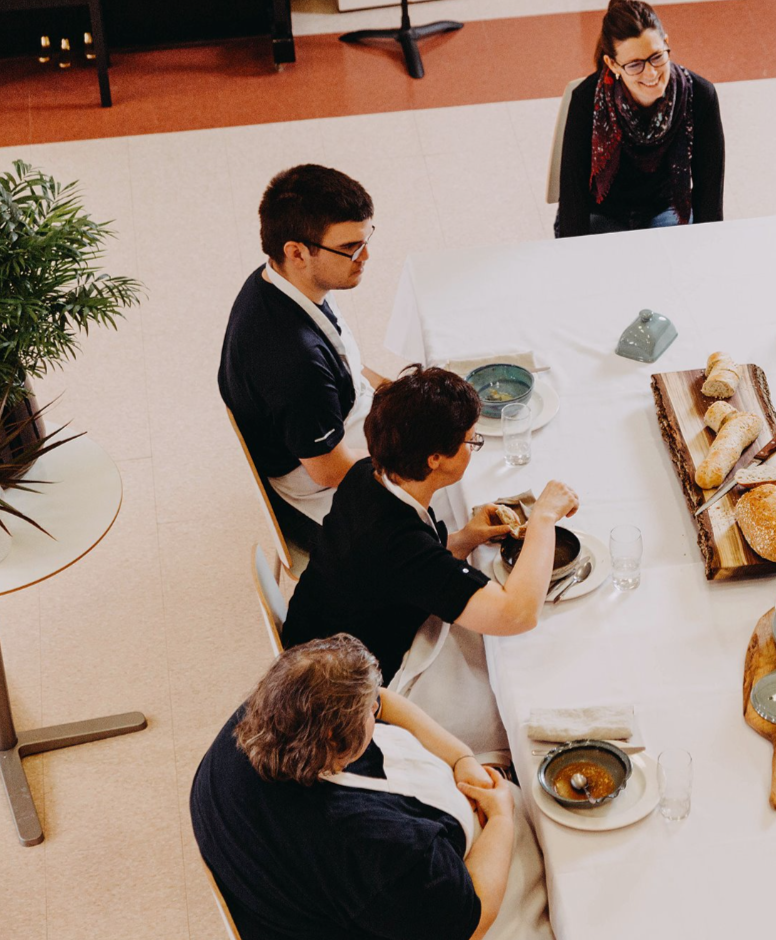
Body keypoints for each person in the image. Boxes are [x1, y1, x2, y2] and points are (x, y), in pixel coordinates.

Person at [282, 366, 579, 756]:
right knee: (522, 693)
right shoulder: (399, 545)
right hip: (351, 691)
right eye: (470, 442)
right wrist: (543, 518)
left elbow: (403, 574)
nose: (473, 448)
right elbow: (517, 614)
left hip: (323, 634)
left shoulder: (365, 473)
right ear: (436, 458)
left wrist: (465, 538)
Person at [190, 634, 554, 940]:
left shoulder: (268, 711)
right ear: (335, 739)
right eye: (365, 712)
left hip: (269, 870)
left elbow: (382, 701)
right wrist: (502, 818)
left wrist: (461, 758)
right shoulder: (369, 842)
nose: (375, 708)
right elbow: (471, 918)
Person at [219, 165, 389, 551]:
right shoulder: (294, 363)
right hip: (318, 486)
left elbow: (345, 360)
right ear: (296, 252)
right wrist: (415, 464)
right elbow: (331, 471)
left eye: (365, 240)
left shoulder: (275, 280)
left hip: (335, 422)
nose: (365, 257)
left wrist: (397, 392)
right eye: (349, 248)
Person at [554, 0, 724, 237]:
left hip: (664, 212)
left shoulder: (700, 95)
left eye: (656, 56)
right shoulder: (586, 101)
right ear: (612, 64)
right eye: (635, 65)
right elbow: (574, 199)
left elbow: (709, 196)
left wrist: (705, 253)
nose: (651, 73)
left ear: (666, 43)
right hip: (602, 215)